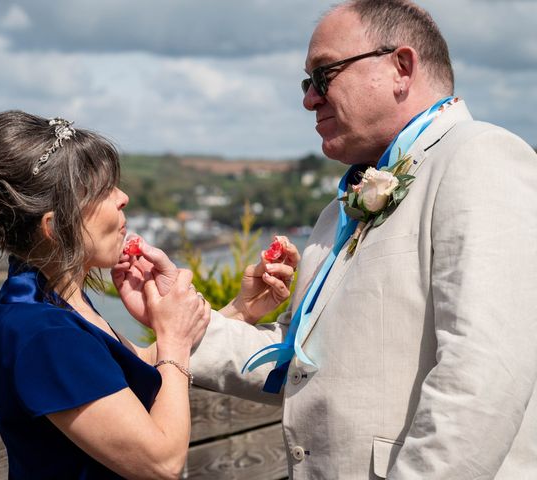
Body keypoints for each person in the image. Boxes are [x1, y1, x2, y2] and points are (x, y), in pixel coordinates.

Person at [184, 1, 537, 479]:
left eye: (324, 74)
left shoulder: (479, 157)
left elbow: (484, 375)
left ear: (401, 67)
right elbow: (301, 362)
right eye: (308, 83)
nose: (310, 99)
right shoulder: (338, 211)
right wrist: (177, 318)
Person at [0, 110, 217, 479]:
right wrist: (174, 340)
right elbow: (162, 462)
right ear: (54, 226)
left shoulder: (51, 297)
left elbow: (141, 365)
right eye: (104, 190)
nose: (123, 197)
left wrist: (242, 308)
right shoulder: (46, 334)